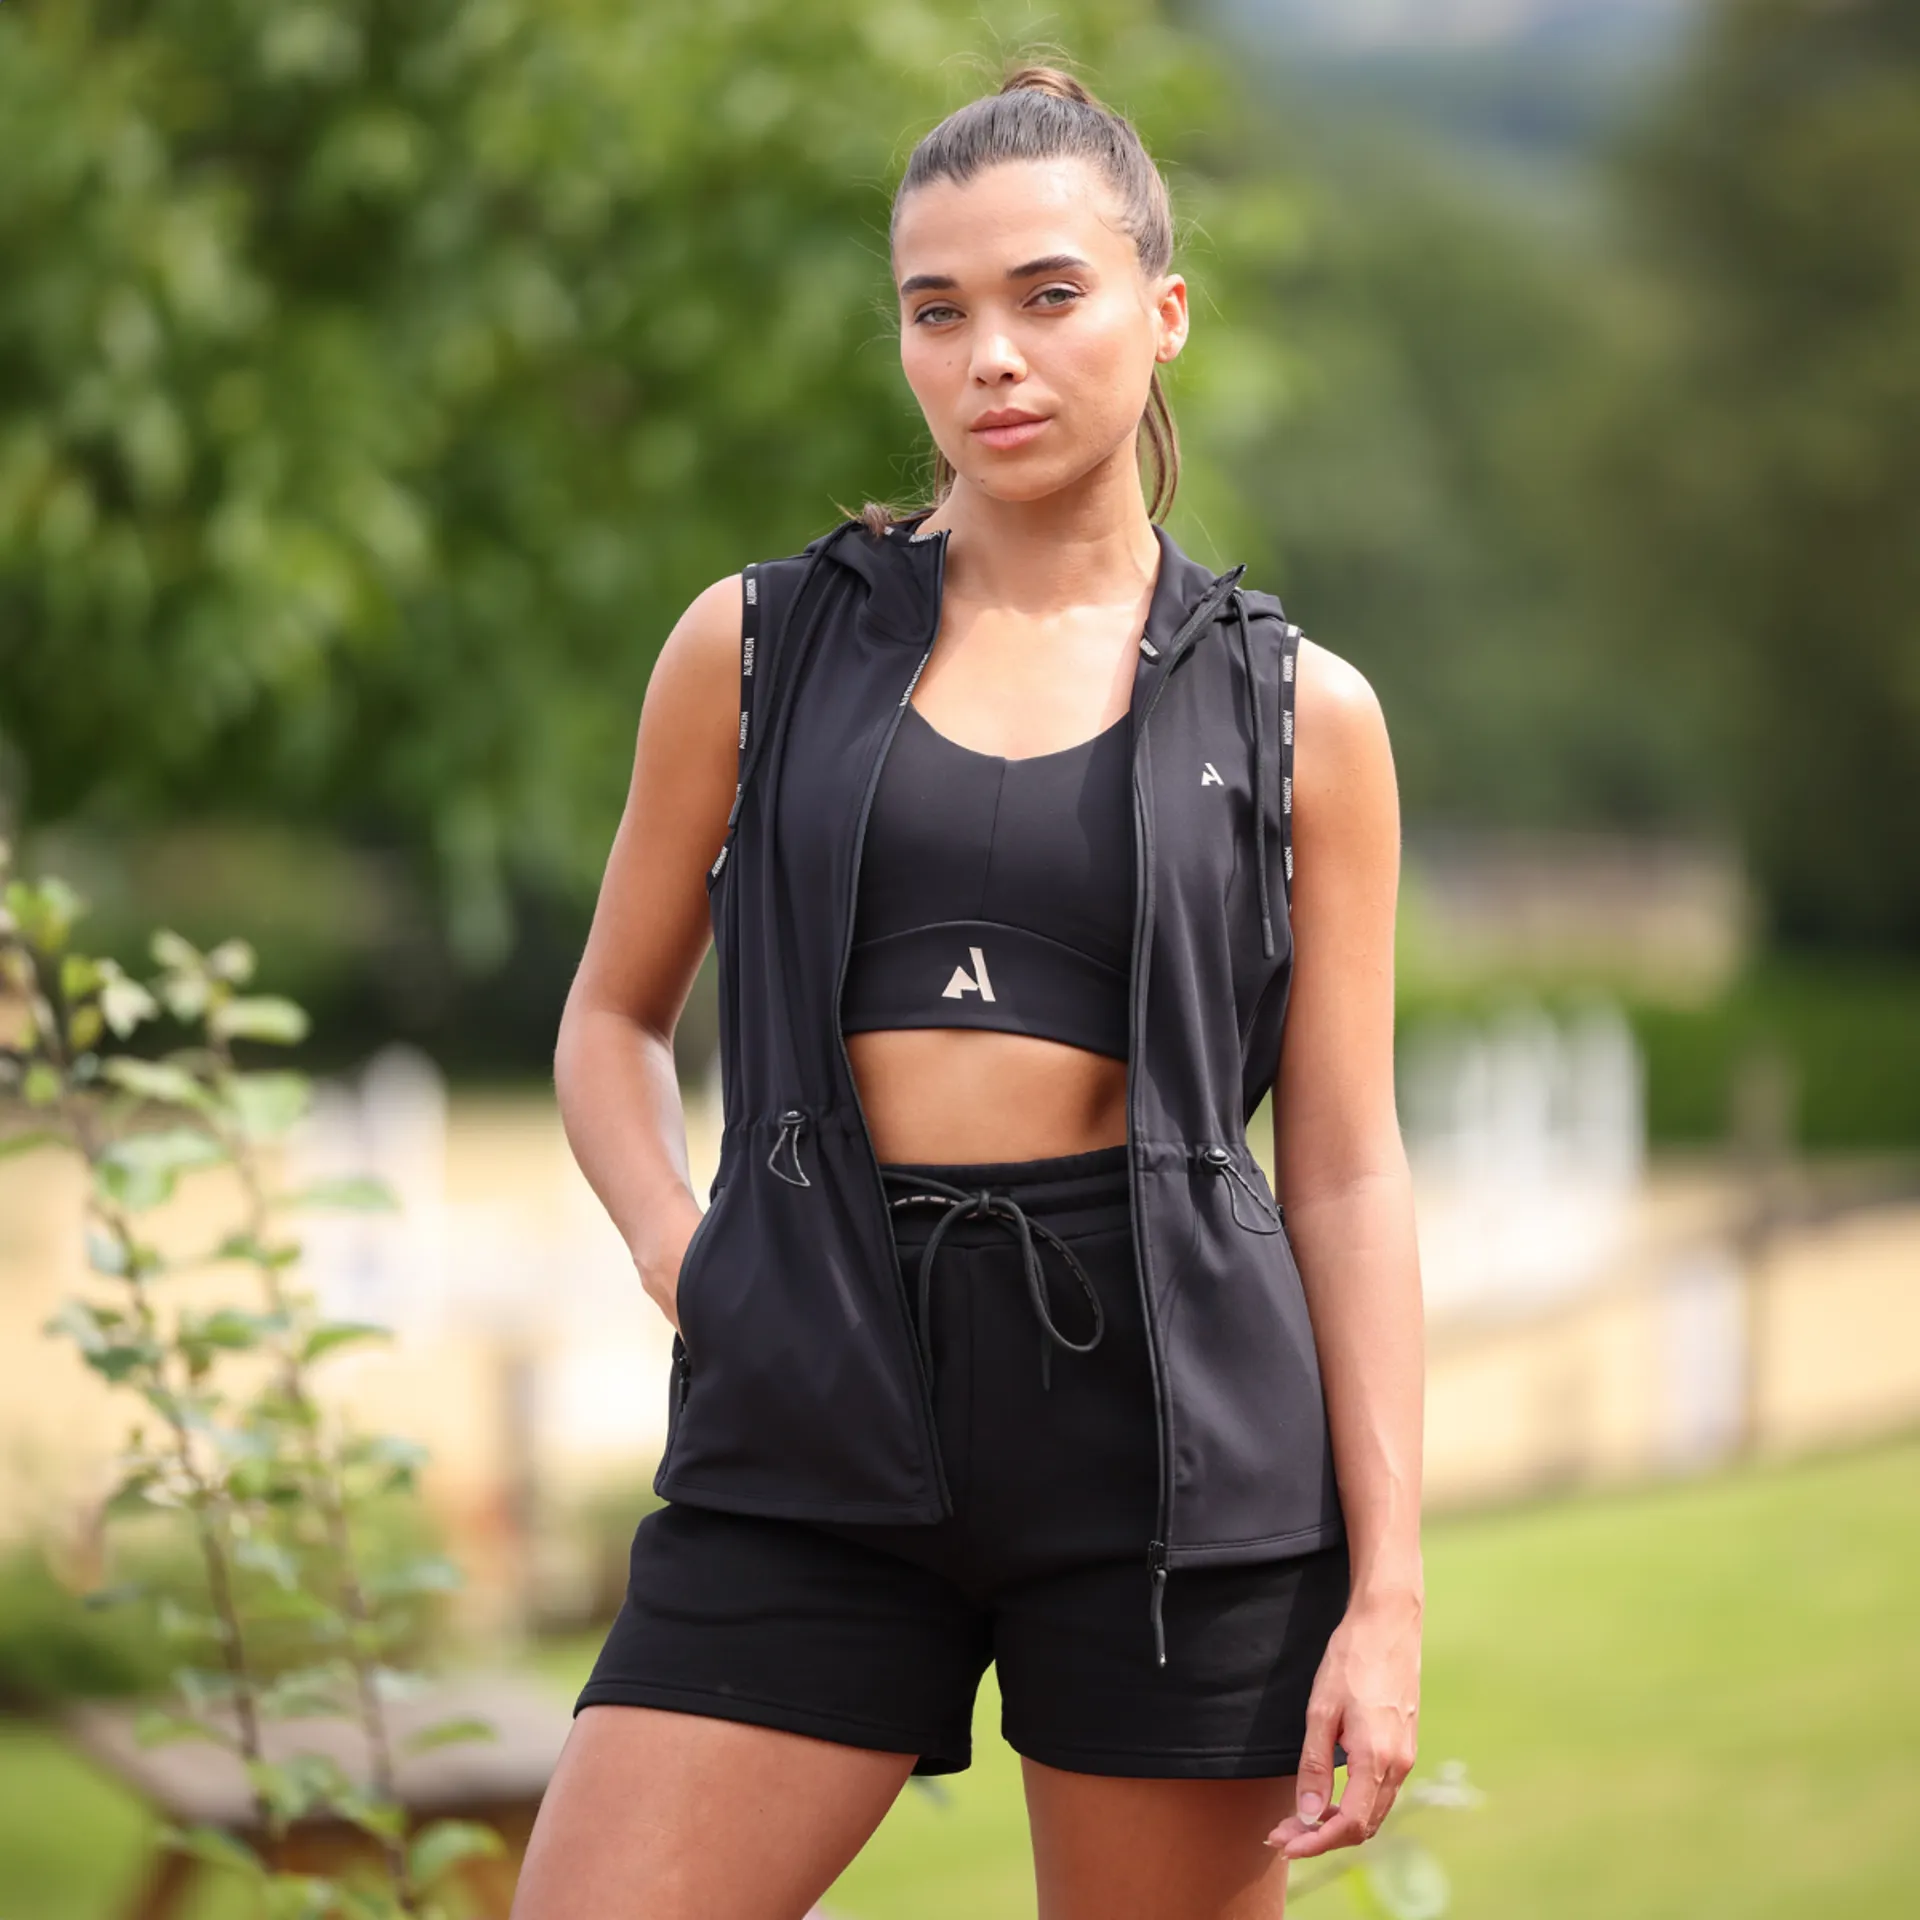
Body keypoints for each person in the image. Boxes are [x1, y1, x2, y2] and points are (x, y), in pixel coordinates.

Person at [513, 60, 1423, 1920]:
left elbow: (1342, 1165)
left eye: (1048, 295)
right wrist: (689, 1257)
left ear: (1164, 314)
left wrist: (1389, 1591)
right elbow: (611, 1018)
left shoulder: (1300, 713)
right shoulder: (755, 648)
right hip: (812, 1393)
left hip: (1174, 1447)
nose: (990, 355)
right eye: (938, 311)